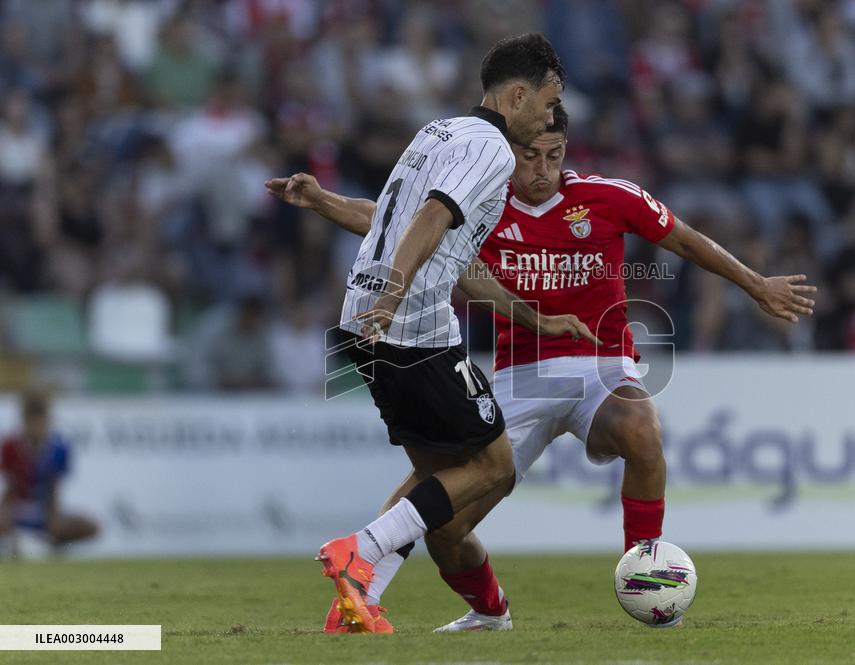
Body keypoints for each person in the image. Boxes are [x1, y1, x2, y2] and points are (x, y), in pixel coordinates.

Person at [267, 106, 817, 632]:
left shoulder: (608, 197)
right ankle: (488, 613)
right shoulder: (483, 203)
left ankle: (643, 572)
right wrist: (321, 200)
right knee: (447, 528)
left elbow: (684, 239)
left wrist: (757, 285)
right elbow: (391, 222)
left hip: (601, 365)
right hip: (519, 375)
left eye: (554, 156)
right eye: (530, 157)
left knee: (641, 428)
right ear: (510, 153)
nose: (542, 170)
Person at [268, 34, 595, 634]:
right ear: (517, 96)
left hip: (362, 321)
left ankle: (358, 602)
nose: (552, 116)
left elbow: (404, 227)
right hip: (411, 326)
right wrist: (395, 296)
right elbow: (431, 217)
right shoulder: (493, 151)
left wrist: (321, 201)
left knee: (434, 478)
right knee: (494, 466)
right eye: (549, 103)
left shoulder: (439, 132)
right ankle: (360, 550)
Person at [0, 392, 98, 554]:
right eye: (32, 421)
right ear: (24, 421)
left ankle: (41, 545)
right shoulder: (10, 446)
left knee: (91, 526)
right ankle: (20, 543)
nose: (37, 427)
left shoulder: (60, 448)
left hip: (44, 513)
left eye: (41, 421)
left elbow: (55, 488)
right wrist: (5, 514)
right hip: (18, 511)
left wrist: (54, 518)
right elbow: (10, 488)